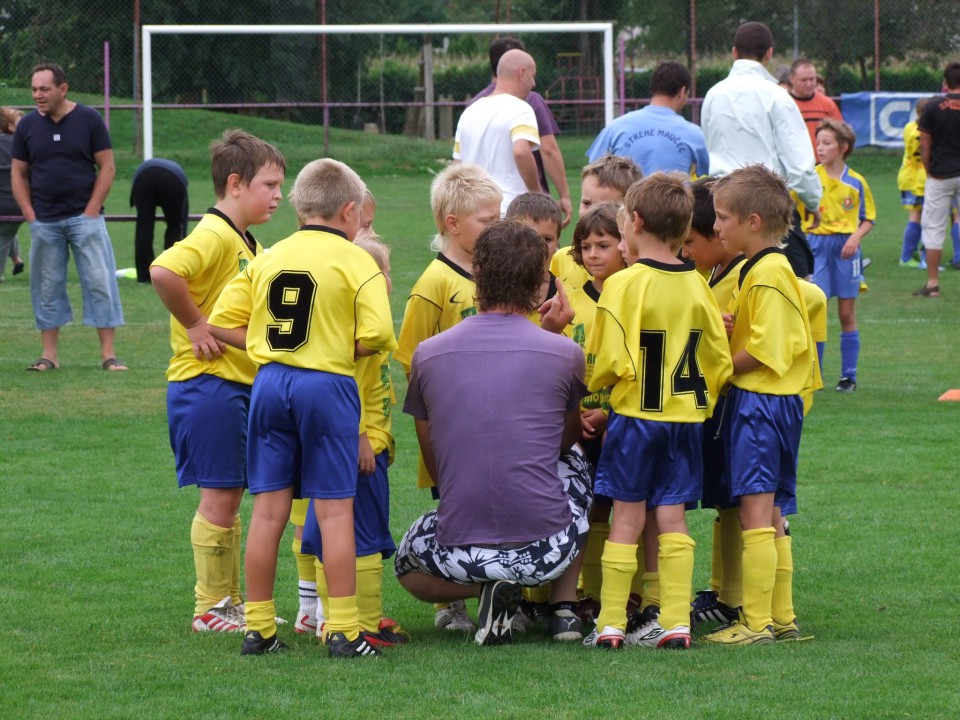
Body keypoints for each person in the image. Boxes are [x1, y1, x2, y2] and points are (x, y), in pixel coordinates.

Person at [208, 158, 396, 658]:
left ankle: (259, 628)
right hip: (326, 383)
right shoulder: (358, 260)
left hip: (270, 382)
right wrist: (335, 346)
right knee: (335, 512)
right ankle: (343, 630)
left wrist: (267, 346)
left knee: (268, 511)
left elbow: (222, 320)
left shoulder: (268, 256)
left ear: (299, 207)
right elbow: (377, 334)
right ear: (350, 212)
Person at [394, 218, 593, 646]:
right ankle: (561, 606)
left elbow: (435, 460)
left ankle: (488, 588)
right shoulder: (566, 353)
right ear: (540, 283)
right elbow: (564, 438)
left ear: (476, 273)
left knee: (406, 564)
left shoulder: (427, 356)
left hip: (459, 550)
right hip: (548, 549)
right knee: (576, 460)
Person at [583, 173, 732, 651]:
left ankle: (609, 624)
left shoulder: (623, 284)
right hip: (683, 423)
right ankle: (676, 621)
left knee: (626, 518)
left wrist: (598, 388)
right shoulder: (698, 286)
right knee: (673, 519)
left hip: (635, 422)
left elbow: (608, 360)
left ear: (636, 222)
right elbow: (718, 360)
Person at [150, 130, 285, 634]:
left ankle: (227, 603)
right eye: (269, 184)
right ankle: (210, 607)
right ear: (235, 183)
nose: (277, 195)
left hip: (235, 385)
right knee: (220, 499)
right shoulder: (213, 234)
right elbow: (164, 271)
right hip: (208, 385)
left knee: (231, 497)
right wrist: (194, 324)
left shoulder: (247, 240)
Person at [703, 164, 820, 646]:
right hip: (777, 404)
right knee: (770, 510)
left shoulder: (768, 271)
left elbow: (766, 351)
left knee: (755, 509)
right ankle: (782, 616)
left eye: (723, 218)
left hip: (760, 405)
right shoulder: (767, 267)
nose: (715, 227)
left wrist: (718, 368)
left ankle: (754, 623)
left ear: (753, 222)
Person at [394, 163, 502, 634]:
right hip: (451, 426)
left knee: (492, 507)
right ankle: (450, 603)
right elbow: (412, 357)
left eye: (499, 218)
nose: (496, 227)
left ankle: (497, 595)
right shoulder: (434, 283)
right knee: (454, 512)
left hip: (495, 420)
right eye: (487, 220)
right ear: (452, 224)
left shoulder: (496, 276)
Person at [300, 230, 409, 648]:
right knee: (358, 535)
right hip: (355, 447)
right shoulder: (353, 332)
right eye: (381, 272)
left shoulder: (367, 323)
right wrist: (362, 436)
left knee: (362, 532)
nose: (387, 280)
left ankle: (361, 617)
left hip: (369, 445)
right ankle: (353, 622)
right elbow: (345, 388)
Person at [11, 62, 125, 372]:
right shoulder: (27, 126)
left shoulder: (89, 119)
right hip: (44, 222)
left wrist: (91, 210)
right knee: (47, 287)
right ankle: (49, 356)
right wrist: (30, 214)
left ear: (63, 89)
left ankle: (109, 356)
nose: (37, 95)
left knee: (100, 282)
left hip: (85, 220)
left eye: (44, 89)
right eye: (34, 89)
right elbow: (18, 174)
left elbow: (108, 167)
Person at [679, 177, 748, 631]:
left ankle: (737, 599)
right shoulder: (712, 274)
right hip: (717, 403)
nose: (684, 251)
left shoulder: (748, 274)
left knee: (741, 503)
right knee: (725, 501)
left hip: (740, 405)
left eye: (690, 241)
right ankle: (724, 591)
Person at [701, 22, 821, 278]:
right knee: (796, 290)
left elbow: (709, 149)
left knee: (728, 291)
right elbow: (799, 164)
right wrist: (813, 202)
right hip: (768, 206)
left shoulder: (714, 94)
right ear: (769, 54)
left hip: (722, 206)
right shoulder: (776, 96)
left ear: (734, 52)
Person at [798, 119, 874, 393]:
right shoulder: (809, 179)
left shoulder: (856, 182)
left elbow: (868, 219)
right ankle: (814, 375)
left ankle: (848, 377)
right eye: (818, 143)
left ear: (844, 147)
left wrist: (855, 237)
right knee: (817, 310)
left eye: (827, 143)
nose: (821, 148)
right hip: (816, 247)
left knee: (846, 312)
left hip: (846, 250)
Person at [474, 37, 573, 227]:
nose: (533, 82)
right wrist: (562, 195)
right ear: (521, 70)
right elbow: (547, 149)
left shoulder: (473, 106)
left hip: (477, 211)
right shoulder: (528, 102)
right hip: (521, 209)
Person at [454, 49, 540, 215]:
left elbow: (457, 166)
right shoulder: (521, 109)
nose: (534, 83)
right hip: (508, 210)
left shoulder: (469, 112)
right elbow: (521, 152)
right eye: (532, 75)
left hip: (471, 213)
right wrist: (536, 194)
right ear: (522, 73)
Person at [586, 61, 709, 177]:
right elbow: (711, 173)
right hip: (672, 199)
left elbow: (593, 171)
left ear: (654, 88)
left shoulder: (616, 128)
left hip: (626, 199)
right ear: (682, 92)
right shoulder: (694, 134)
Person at [550, 154, 642, 293]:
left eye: (605, 207)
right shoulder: (563, 259)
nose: (592, 214)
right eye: (586, 203)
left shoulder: (638, 265)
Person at [916, 61, 960, 297]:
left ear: (945, 82)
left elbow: (925, 145)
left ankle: (932, 283)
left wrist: (929, 170)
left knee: (934, 228)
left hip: (940, 174)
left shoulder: (933, 107)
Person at [130, 158, 189, 283]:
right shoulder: (179, 174)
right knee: (175, 227)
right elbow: (181, 221)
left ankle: (144, 276)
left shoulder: (143, 171)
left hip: (143, 177)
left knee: (144, 227)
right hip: (173, 179)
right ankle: (172, 271)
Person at [789, 59, 844, 156]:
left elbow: (840, 134)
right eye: (804, 80)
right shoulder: (783, 103)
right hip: (792, 163)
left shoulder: (827, 104)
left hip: (822, 164)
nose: (809, 84)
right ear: (792, 79)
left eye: (812, 79)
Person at [0, 107, 24, 282]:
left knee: (4, 232)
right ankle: (17, 259)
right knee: (8, 229)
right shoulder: (19, 143)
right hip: (22, 203)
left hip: (6, 202)